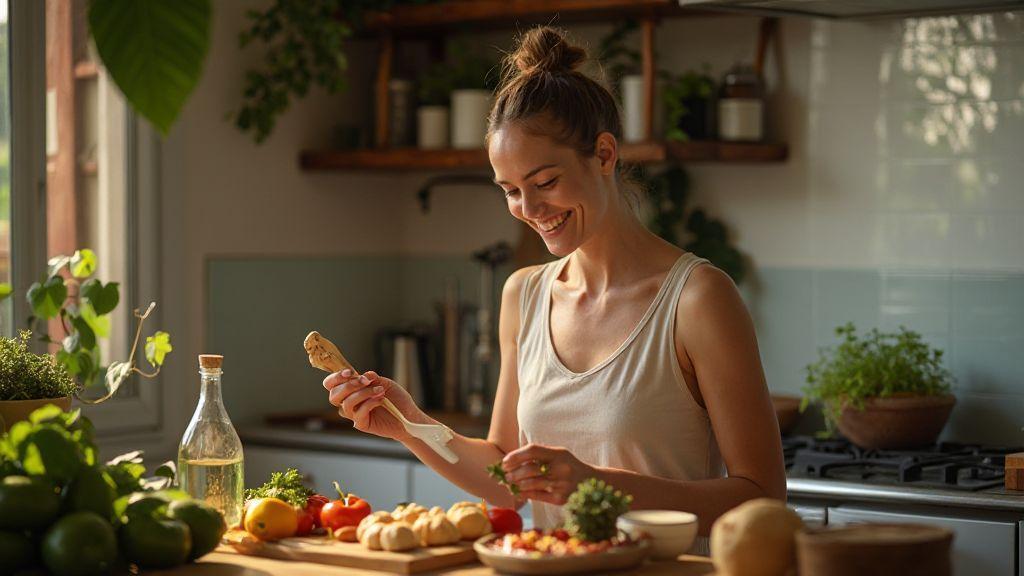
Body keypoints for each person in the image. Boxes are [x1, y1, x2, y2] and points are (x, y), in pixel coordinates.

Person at [323, 26, 785, 550]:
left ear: (605, 155)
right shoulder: (523, 295)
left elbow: (761, 498)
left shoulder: (698, 299)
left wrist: (598, 484)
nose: (530, 210)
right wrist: (410, 425)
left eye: (544, 182)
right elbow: (504, 477)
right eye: (511, 191)